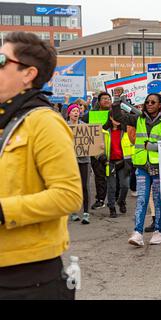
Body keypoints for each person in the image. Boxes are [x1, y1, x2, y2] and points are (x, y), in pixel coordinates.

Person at [0, 32, 82, 299]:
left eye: (2, 60)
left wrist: (3, 211)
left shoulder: (44, 122)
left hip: (27, 279)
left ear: (28, 73)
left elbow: (68, 196)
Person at [111, 93, 161, 247]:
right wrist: (117, 101)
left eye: (153, 102)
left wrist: (152, 147)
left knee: (159, 200)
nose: (149, 104)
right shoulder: (138, 118)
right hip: (141, 165)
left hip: (158, 165)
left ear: (160, 105)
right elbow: (119, 117)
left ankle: (159, 231)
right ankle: (137, 233)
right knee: (142, 200)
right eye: (147, 102)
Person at [103, 113, 132, 218]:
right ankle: (112, 208)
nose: (118, 120)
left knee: (125, 186)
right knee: (111, 187)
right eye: (116, 117)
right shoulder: (105, 132)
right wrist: (102, 157)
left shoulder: (126, 131)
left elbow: (131, 146)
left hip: (123, 162)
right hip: (110, 163)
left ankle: (121, 201)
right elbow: (100, 147)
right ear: (111, 118)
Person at [67, 104, 91, 225]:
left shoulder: (84, 127)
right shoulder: (64, 127)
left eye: (77, 111)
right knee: (72, 187)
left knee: (84, 186)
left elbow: (92, 141)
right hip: (70, 160)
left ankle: (86, 213)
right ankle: (74, 211)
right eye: (73, 111)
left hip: (84, 160)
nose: (76, 113)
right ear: (69, 113)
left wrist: (99, 146)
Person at [90, 92, 113, 210]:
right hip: (96, 152)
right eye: (104, 98)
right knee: (99, 177)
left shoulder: (116, 113)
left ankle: (115, 200)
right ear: (99, 102)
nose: (107, 100)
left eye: (108, 98)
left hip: (113, 149)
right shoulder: (92, 114)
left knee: (113, 177)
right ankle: (100, 199)